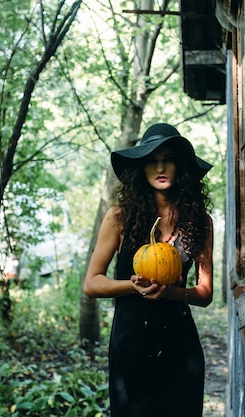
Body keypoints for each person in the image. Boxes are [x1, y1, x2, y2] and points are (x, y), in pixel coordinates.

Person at [83, 122, 214, 417]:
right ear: (140, 169)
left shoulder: (200, 222)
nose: (160, 167)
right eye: (151, 161)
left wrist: (173, 293)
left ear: (180, 166)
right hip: (130, 342)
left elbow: (205, 293)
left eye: (167, 159)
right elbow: (92, 283)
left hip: (180, 345)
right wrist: (134, 286)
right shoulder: (120, 217)